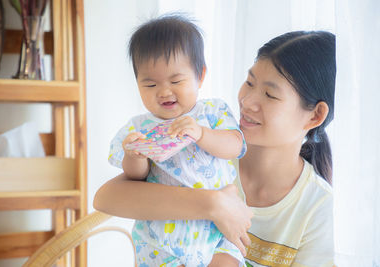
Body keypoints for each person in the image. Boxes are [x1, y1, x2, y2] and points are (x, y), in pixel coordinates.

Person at [95, 30, 336, 267]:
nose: (247, 101)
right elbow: (105, 198)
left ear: (315, 115)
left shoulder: (318, 206)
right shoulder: (209, 153)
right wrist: (214, 204)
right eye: (249, 82)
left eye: (270, 95)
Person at [107, 14, 248, 267]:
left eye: (176, 81)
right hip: (161, 238)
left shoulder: (212, 112)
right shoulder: (139, 127)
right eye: (149, 85)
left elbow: (235, 146)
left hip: (216, 230)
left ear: (200, 76)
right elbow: (136, 177)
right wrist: (134, 155)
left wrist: (203, 134)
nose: (164, 91)